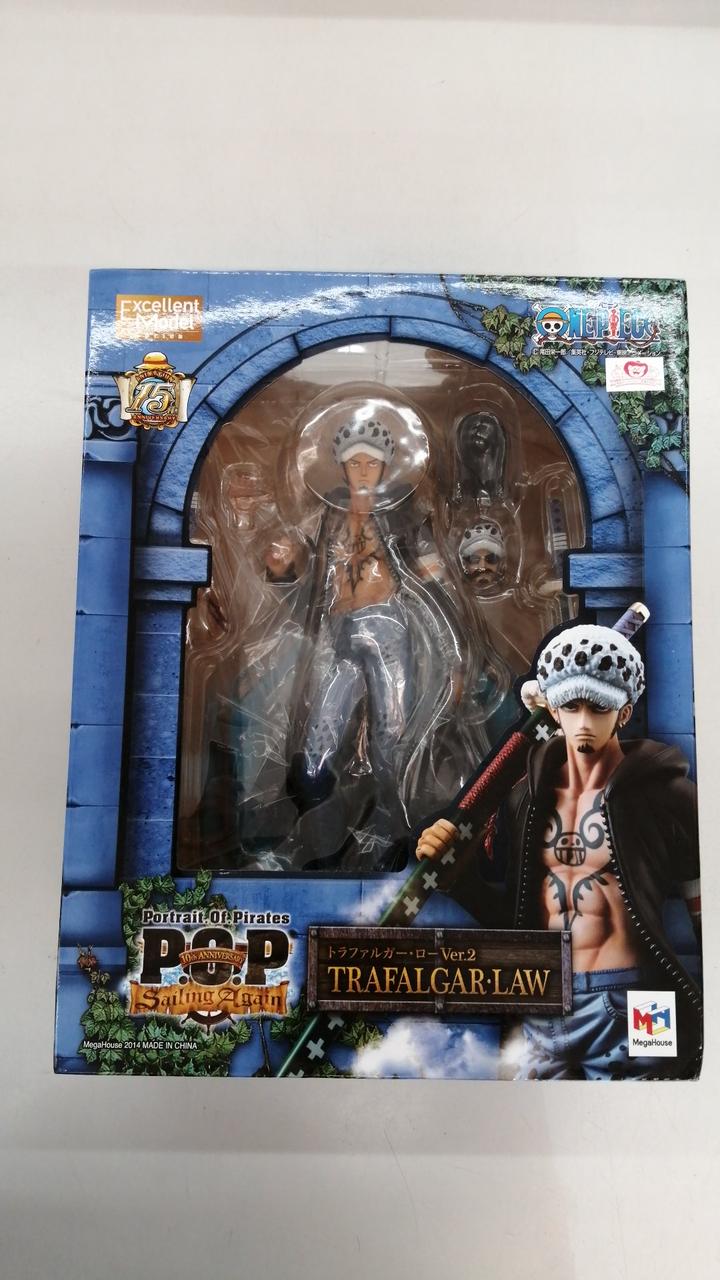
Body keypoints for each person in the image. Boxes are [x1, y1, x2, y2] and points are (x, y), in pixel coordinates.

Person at [416, 622, 702, 1078]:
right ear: (551, 708)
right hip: (541, 998)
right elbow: (514, 924)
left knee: (644, 1116)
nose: (584, 722)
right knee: (529, 1119)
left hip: (636, 1000)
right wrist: (459, 879)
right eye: (571, 706)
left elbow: (707, 918)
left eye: (599, 706)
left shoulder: (667, 796)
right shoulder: (524, 801)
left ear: (624, 712)